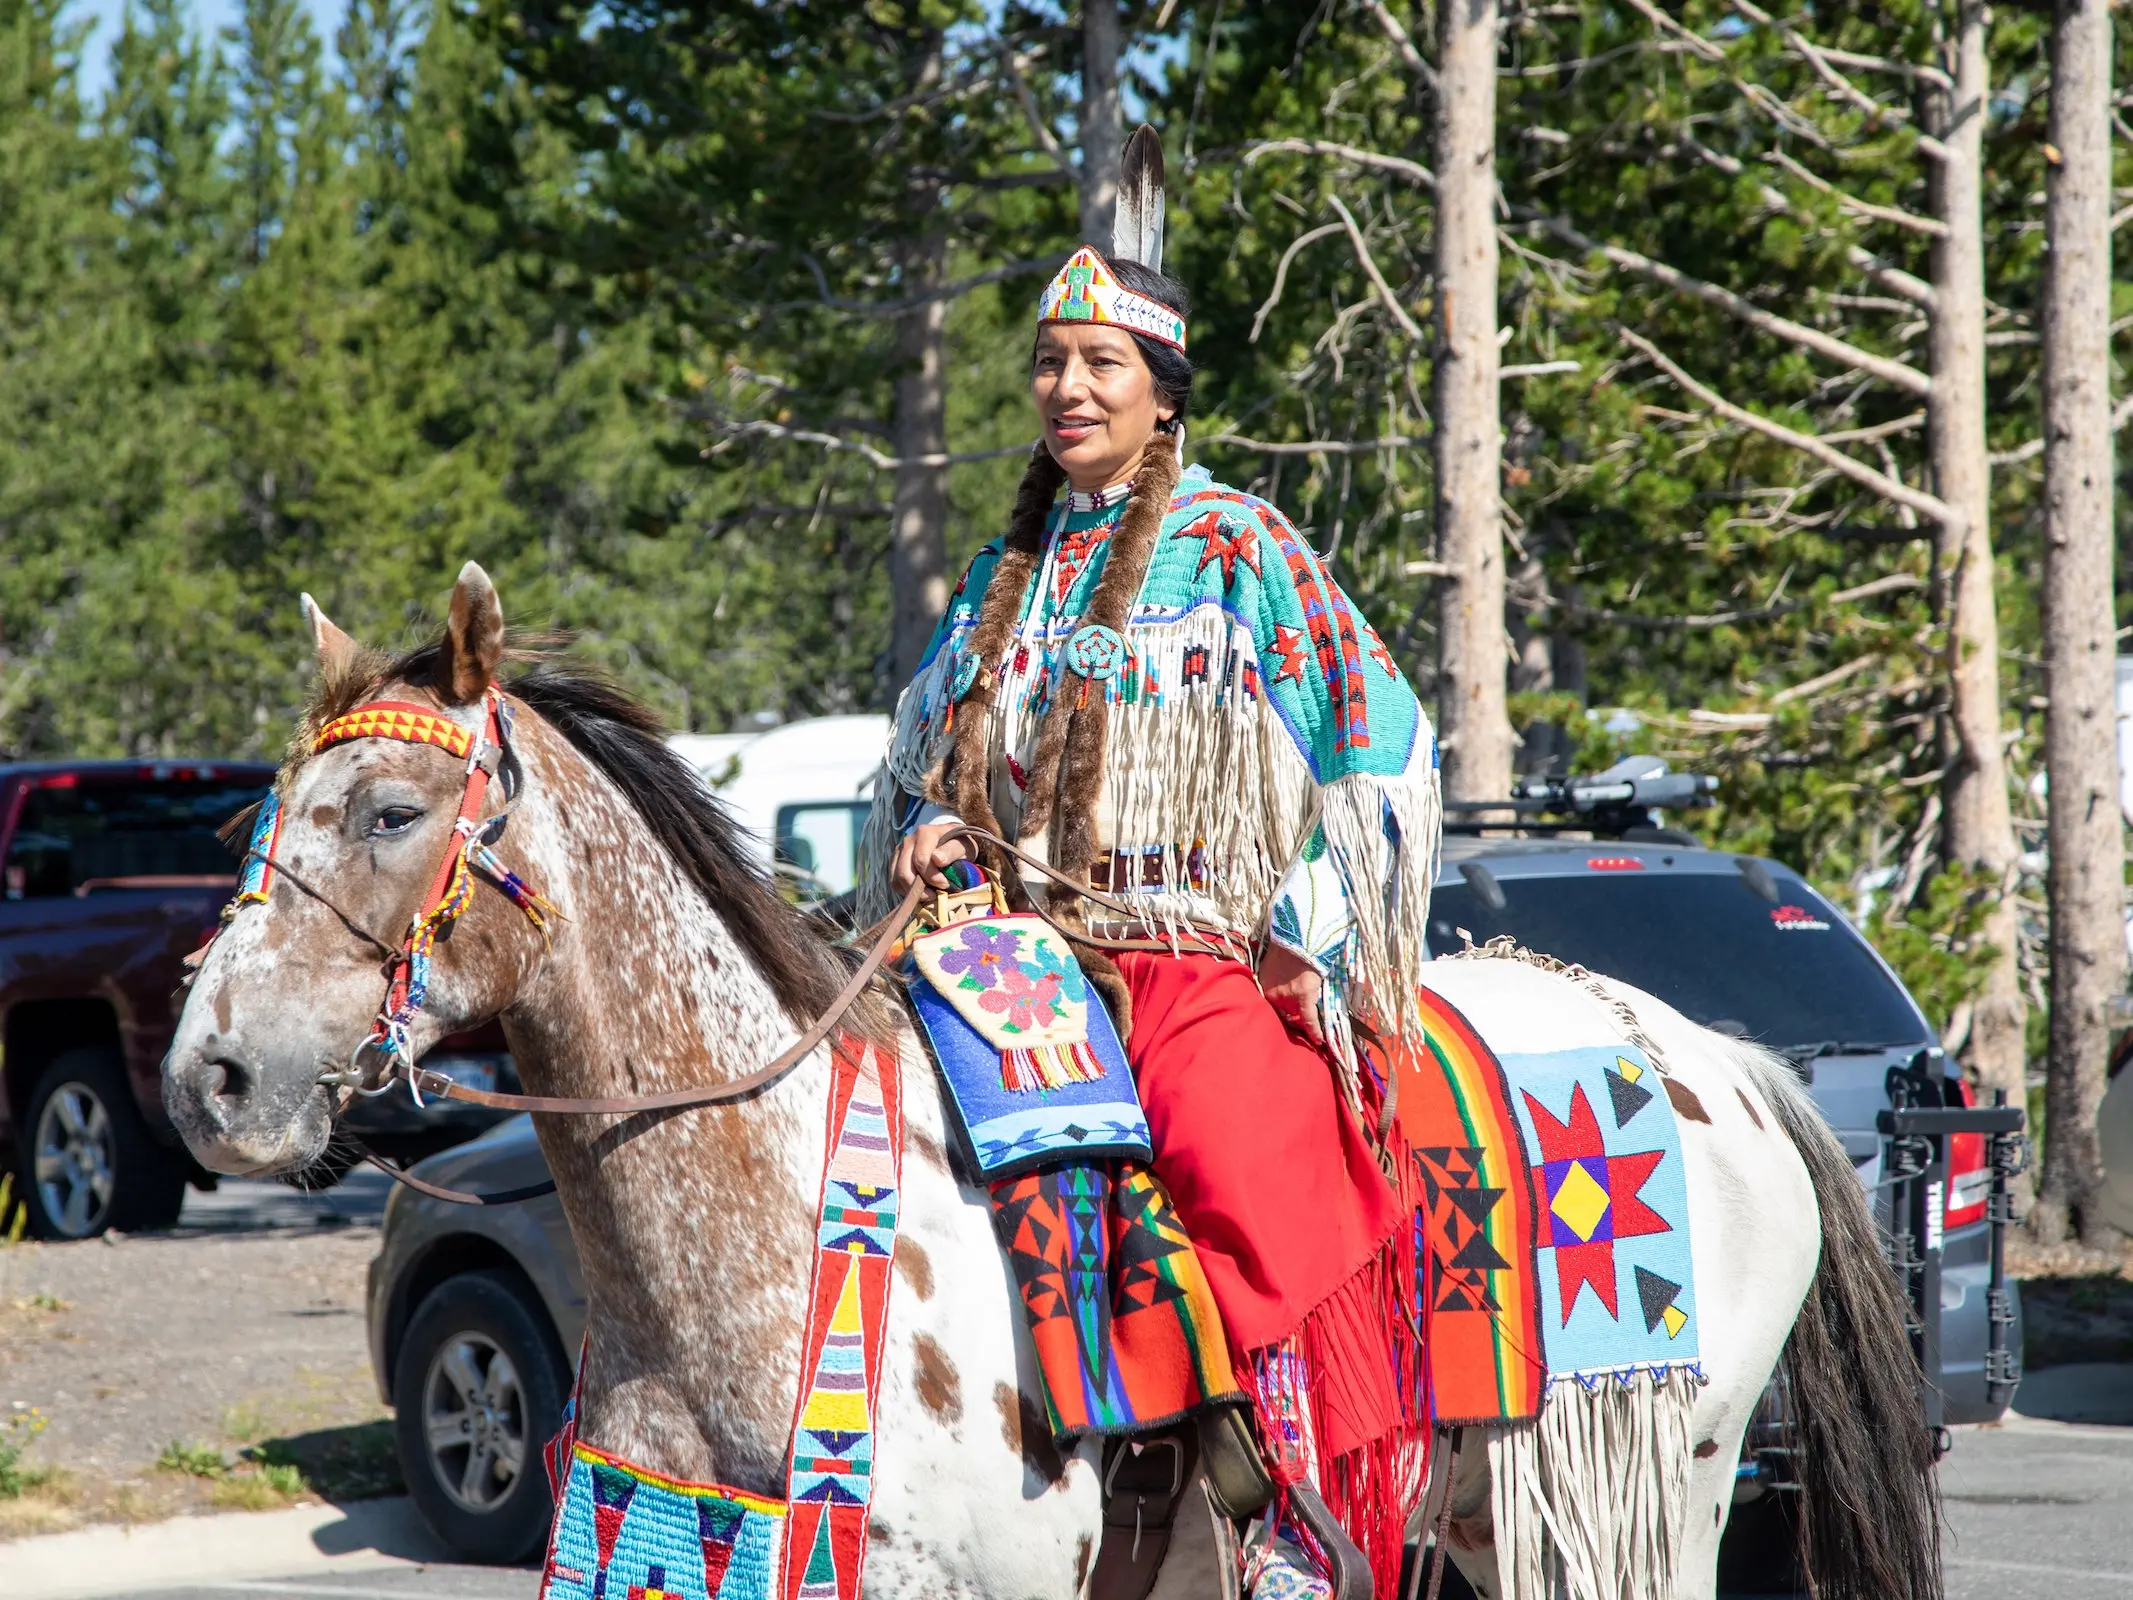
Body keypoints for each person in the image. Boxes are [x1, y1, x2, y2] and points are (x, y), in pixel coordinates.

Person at [859, 242, 1440, 1600]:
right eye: (1051, 362)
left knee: (1231, 1147)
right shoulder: (1008, 572)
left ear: (1163, 393)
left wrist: (1302, 923)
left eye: (1101, 363)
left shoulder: (1236, 545)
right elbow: (908, 760)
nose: (1068, 386)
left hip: (1182, 948)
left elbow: (1385, 742)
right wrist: (927, 827)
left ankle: (1283, 1504)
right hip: (1007, 947)